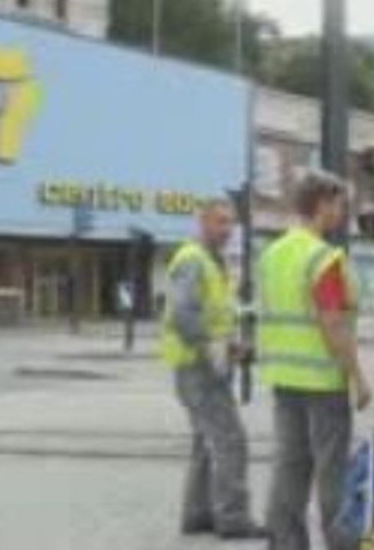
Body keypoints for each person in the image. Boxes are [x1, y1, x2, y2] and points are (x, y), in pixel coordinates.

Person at [260, 169, 372, 550]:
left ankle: (285, 542)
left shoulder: (272, 254)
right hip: (322, 383)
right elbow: (332, 322)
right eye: (340, 204)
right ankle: (340, 544)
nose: (342, 213)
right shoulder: (322, 258)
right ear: (322, 204)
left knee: (289, 465)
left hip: (284, 377)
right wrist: (357, 376)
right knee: (332, 472)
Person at [160, 198, 266, 540]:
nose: (228, 230)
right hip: (199, 367)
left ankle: (197, 514)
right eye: (220, 222)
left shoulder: (210, 261)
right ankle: (233, 519)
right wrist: (213, 347)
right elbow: (182, 313)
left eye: (230, 223)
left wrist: (230, 345)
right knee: (230, 441)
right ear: (202, 222)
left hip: (201, 365)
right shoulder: (193, 260)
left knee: (206, 443)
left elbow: (209, 314)